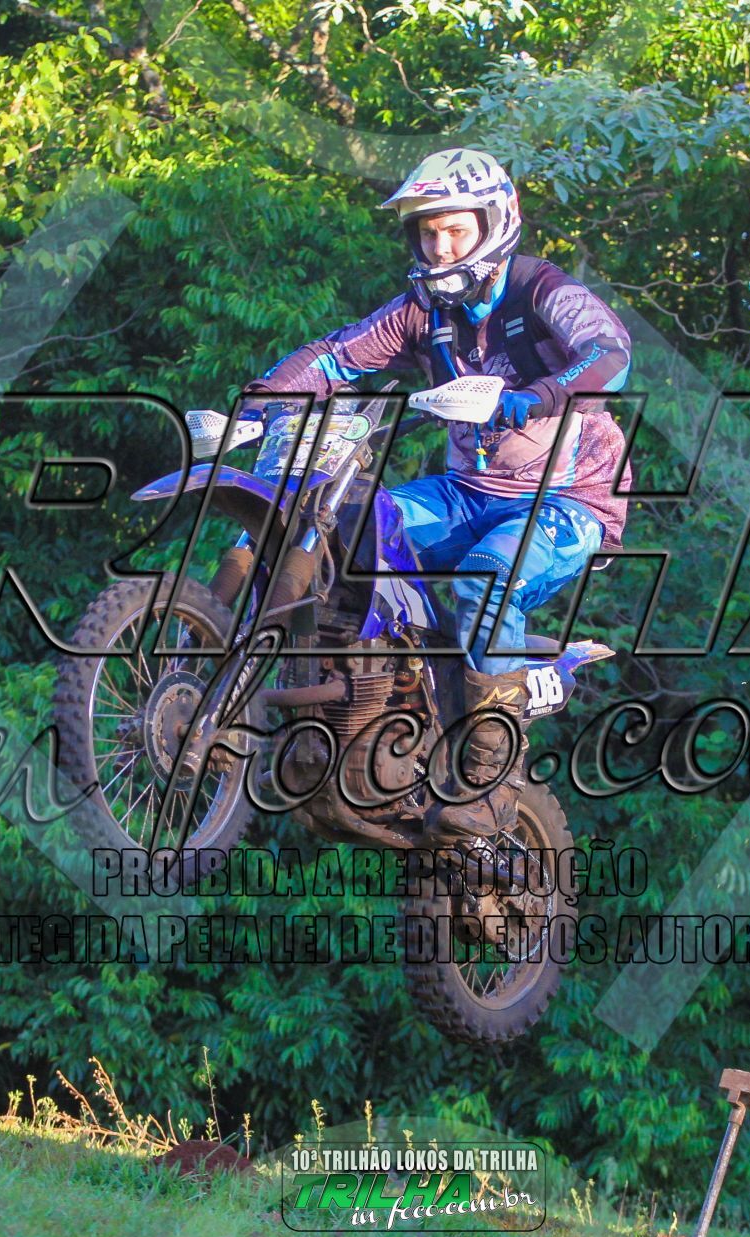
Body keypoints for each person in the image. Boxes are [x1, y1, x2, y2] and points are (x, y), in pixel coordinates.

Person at [240, 148, 633, 841]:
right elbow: (336, 355)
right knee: (341, 525)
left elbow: (610, 353)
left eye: (454, 229)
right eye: (428, 232)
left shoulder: (541, 290)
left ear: (495, 222)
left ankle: (489, 779)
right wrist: (264, 397)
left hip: (569, 499)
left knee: (486, 579)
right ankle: (347, 698)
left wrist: (538, 396)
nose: (440, 246)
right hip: (465, 491)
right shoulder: (423, 310)